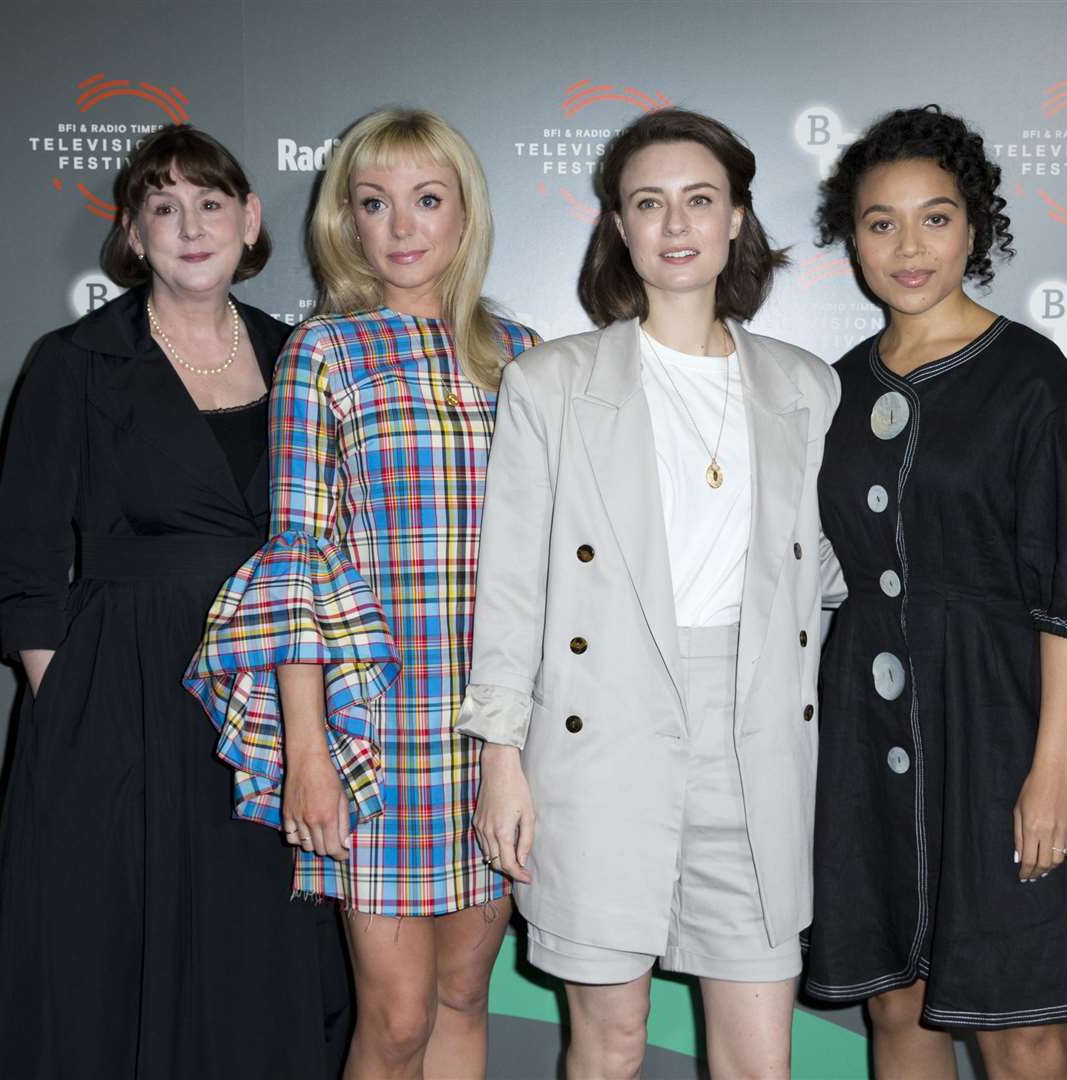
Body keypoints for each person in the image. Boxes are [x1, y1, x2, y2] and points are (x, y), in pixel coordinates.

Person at [0, 126, 349, 1078]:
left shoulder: (302, 356)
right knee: (106, 944)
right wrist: (76, 705)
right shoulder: (75, 361)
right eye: (163, 207)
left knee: (257, 943)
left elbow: (331, 544)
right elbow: (22, 560)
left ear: (251, 221)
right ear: (132, 234)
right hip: (120, 689)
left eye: (211, 203)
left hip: (271, 690)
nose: (190, 226)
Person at [460, 108, 840, 1080]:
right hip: (601, 736)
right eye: (649, 203)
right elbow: (511, 586)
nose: (676, 225)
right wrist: (500, 757)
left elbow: (829, 576)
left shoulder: (807, 388)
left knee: (759, 1062)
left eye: (699, 200)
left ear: (736, 220)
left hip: (756, 741)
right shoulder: (549, 383)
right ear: (618, 228)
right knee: (609, 1044)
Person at [183, 109, 538, 1080]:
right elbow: (295, 560)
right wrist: (307, 752)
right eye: (374, 204)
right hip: (376, 729)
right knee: (395, 1021)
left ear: (463, 213)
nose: (402, 226)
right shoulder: (322, 354)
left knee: (467, 997)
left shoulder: (522, 354)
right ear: (347, 221)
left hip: (496, 727)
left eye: (426, 199)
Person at [802, 105, 1067, 1080]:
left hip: (1003, 731)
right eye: (880, 222)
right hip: (867, 737)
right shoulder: (835, 390)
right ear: (850, 236)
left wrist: (1049, 772)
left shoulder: (1034, 381)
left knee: (1021, 1025)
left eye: (934, 218)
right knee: (897, 1014)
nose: (908, 247)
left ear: (975, 227)